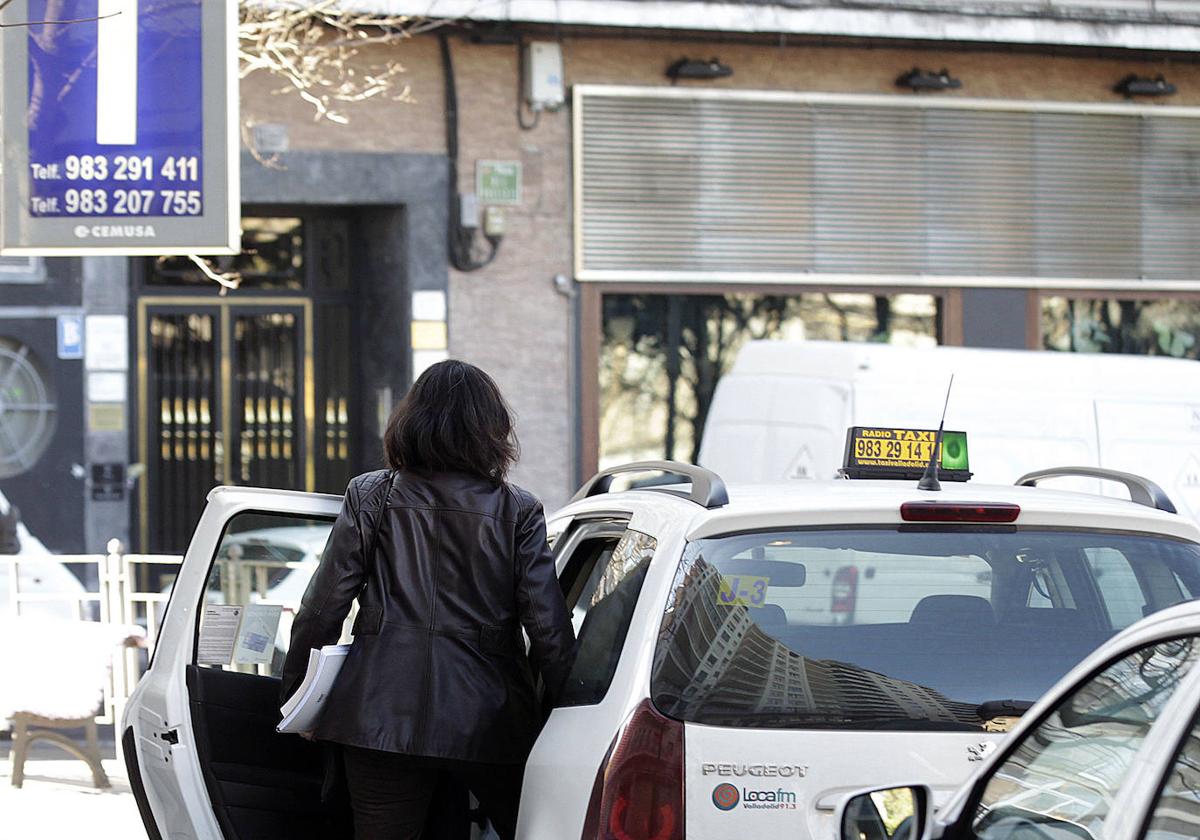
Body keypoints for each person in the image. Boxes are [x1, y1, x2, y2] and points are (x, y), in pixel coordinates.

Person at [281, 359, 576, 840]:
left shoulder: (370, 495)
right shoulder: (518, 510)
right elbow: (549, 629)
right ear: (492, 430)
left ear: (410, 421)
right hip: (491, 718)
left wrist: (297, 698)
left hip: (377, 715)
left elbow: (322, 609)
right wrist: (572, 717)